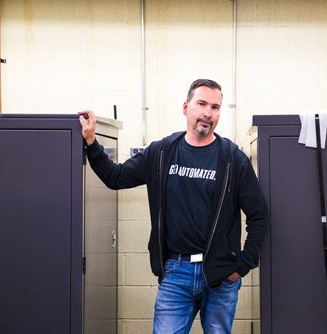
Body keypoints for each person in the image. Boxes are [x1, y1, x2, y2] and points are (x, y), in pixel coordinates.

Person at [79, 78, 269, 334]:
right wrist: (91, 142)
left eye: (215, 107)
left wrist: (244, 265)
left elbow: (259, 215)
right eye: (201, 104)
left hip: (221, 274)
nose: (208, 113)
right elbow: (115, 177)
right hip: (176, 272)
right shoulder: (161, 153)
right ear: (185, 107)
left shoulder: (232, 159)